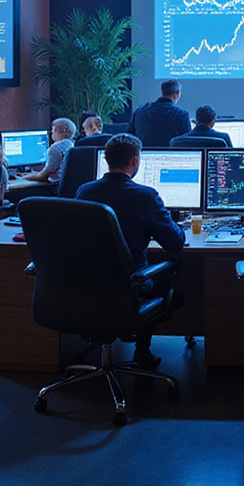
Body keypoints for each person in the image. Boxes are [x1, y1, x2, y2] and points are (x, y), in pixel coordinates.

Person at [74, 133, 185, 368]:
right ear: (135, 161)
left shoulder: (85, 191)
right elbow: (174, 244)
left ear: (106, 160)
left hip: (87, 287)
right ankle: (142, 350)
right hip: (130, 286)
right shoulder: (146, 196)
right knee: (170, 279)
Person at [129, 79, 191, 147]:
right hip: (172, 155)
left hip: (144, 155)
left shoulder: (140, 111)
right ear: (177, 93)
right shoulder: (182, 114)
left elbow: (129, 137)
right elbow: (186, 142)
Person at [25, 117, 76, 183]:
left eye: (53, 131)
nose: (52, 134)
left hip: (53, 186)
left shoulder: (55, 148)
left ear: (60, 132)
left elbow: (43, 176)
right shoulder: (72, 145)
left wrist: (26, 177)